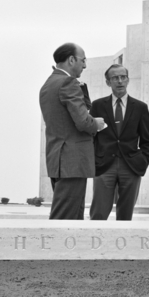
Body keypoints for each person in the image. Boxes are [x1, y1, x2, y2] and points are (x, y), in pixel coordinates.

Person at [39, 43, 105, 220]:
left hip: (59, 161)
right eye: (83, 61)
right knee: (65, 219)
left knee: (72, 219)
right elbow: (83, 121)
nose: (84, 65)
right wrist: (96, 124)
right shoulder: (67, 82)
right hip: (72, 162)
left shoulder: (48, 84)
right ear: (71, 59)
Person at [89, 64, 149, 221]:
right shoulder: (97, 106)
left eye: (123, 77)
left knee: (125, 216)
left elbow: (146, 141)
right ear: (108, 82)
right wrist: (94, 159)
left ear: (128, 80)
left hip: (130, 166)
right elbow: (91, 137)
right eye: (115, 78)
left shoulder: (140, 107)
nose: (119, 81)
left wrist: (142, 160)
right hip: (104, 166)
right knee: (98, 213)